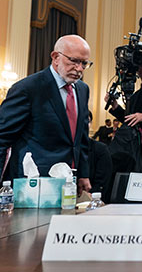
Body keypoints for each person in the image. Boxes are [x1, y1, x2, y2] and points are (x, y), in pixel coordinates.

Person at [0, 35, 91, 193]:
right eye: (74, 61)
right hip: (33, 183)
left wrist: (83, 174)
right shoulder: (28, 88)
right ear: (56, 57)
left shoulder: (83, 90)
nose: (80, 69)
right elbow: (2, 137)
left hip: (69, 182)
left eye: (84, 63)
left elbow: (81, 138)